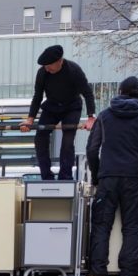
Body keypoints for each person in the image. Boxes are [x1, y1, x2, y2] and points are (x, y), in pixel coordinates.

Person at [84, 76, 138, 276]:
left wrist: (98, 176)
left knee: (101, 226)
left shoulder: (105, 117)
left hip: (107, 178)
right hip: (133, 179)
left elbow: (91, 149)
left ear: (119, 92)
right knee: (132, 227)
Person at [20, 44, 96, 181]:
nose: (47, 69)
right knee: (40, 138)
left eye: (49, 65)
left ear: (60, 61)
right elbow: (37, 96)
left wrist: (91, 117)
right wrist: (30, 119)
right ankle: (46, 176)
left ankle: (65, 177)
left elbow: (88, 93)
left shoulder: (74, 70)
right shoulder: (43, 72)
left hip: (72, 107)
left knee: (67, 141)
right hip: (52, 106)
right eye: (45, 66)